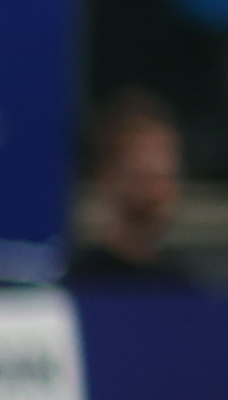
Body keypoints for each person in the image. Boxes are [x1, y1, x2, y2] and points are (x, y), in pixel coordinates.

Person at [69, 92, 197, 292]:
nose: (156, 193)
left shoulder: (181, 286)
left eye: (166, 177)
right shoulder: (81, 284)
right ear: (107, 177)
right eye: (144, 178)